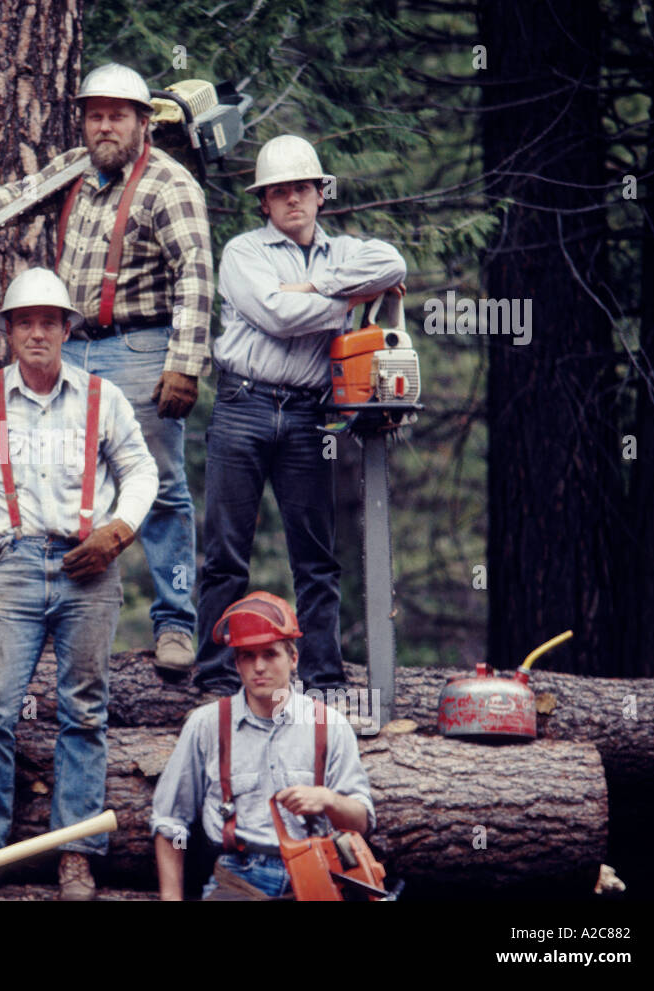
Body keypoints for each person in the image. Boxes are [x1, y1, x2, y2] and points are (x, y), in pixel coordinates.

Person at [0, 63, 211, 678]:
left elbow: (196, 277)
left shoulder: (170, 186)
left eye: (118, 115)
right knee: (52, 470)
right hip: (71, 344)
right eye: (95, 114)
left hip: (140, 347)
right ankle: (53, 613)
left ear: (142, 123)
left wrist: (185, 364)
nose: (105, 126)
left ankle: (176, 624)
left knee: (159, 485)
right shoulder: (78, 166)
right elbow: (17, 196)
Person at [0, 268, 158, 900]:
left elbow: (142, 470)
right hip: (14, 566)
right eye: (26, 322)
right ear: (9, 332)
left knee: (84, 711)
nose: (38, 332)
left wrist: (117, 532)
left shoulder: (102, 397)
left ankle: (76, 855)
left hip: (90, 567)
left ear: (68, 329)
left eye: (50, 321)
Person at [194, 135, 408, 695]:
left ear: (321, 194)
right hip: (244, 403)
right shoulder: (244, 251)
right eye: (280, 192)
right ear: (263, 202)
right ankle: (216, 677)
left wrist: (313, 284)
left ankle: (323, 677)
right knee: (225, 552)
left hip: (312, 414)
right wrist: (345, 296)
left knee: (315, 555)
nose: (292, 200)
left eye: (303, 189)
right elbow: (279, 314)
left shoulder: (344, 251)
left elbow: (392, 262)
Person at [152, 591, 375, 899]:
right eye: (248, 655)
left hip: (318, 874)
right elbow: (169, 822)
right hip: (239, 878)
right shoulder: (206, 725)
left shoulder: (330, 725)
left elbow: (361, 821)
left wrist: (329, 800)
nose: (259, 667)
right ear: (237, 663)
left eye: (270, 654)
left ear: (293, 658)